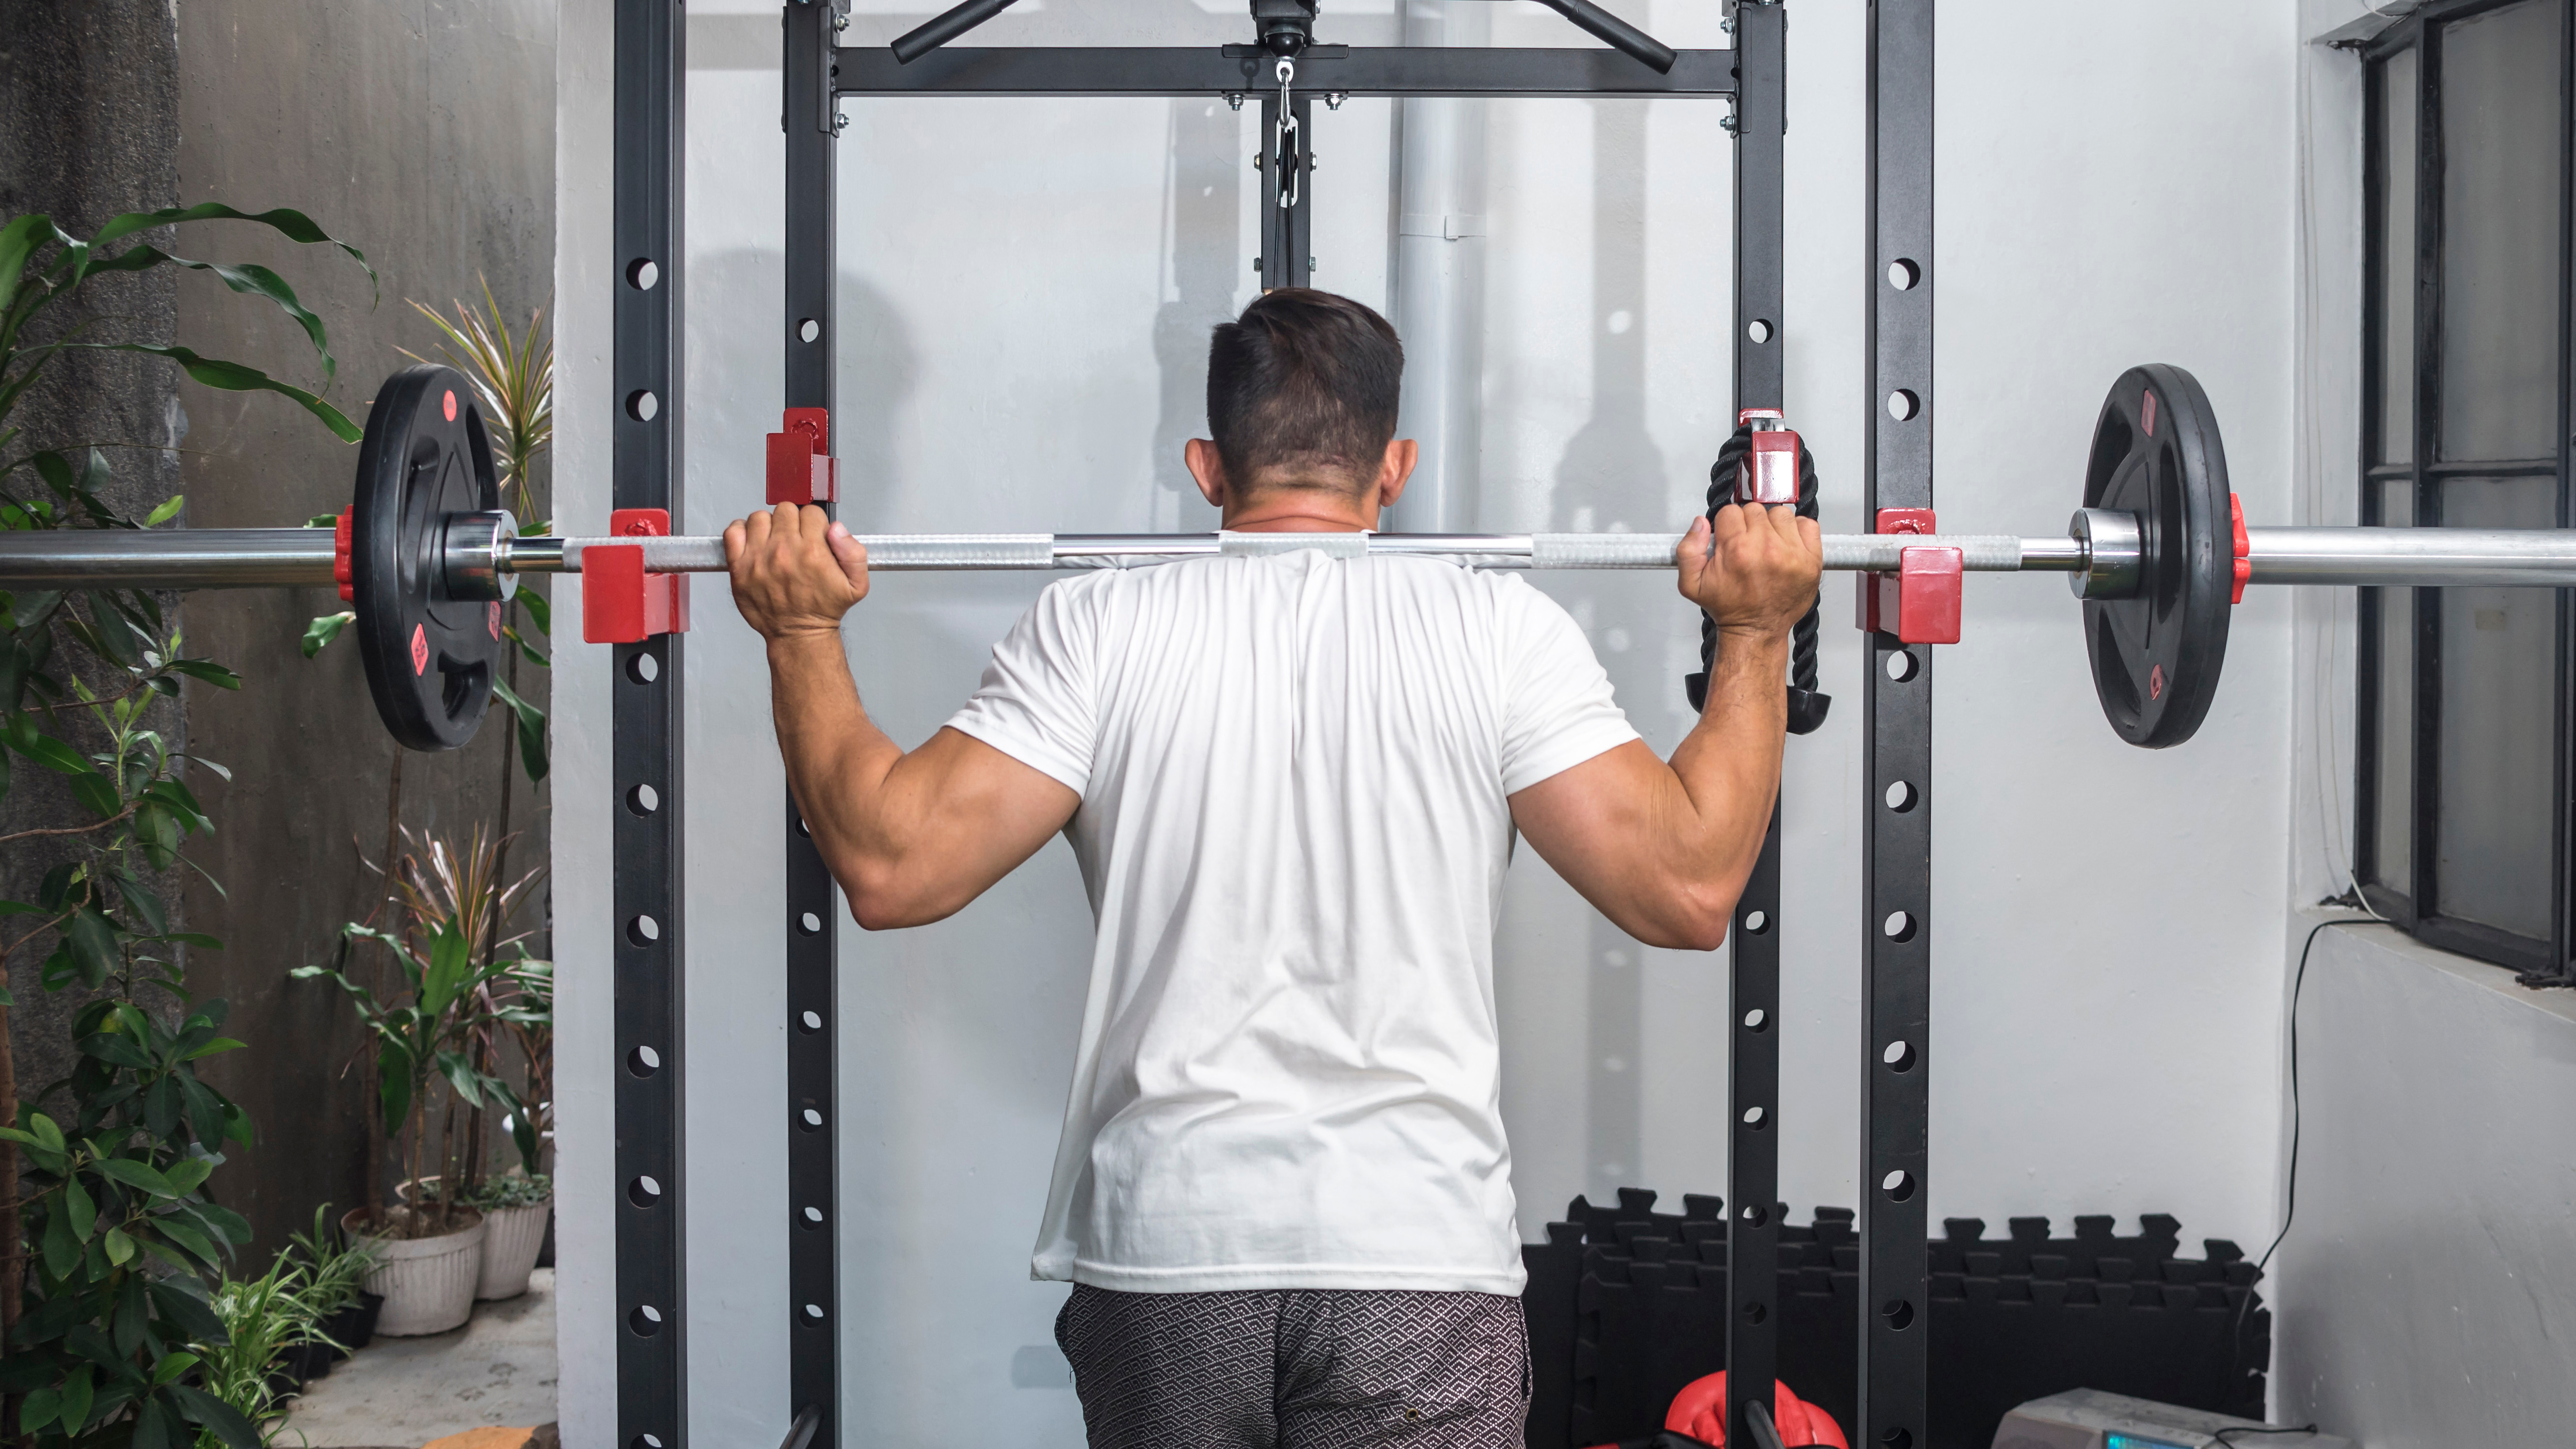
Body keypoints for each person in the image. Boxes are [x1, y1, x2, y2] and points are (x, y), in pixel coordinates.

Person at [725, 288, 1822, 1449]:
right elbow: (1688, 885)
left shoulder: (1096, 628)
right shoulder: (1500, 632)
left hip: (1172, 1251)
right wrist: (1756, 633)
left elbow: (893, 864)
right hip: (1415, 1251)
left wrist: (801, 634)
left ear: (1205, 467)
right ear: (1393, 467)